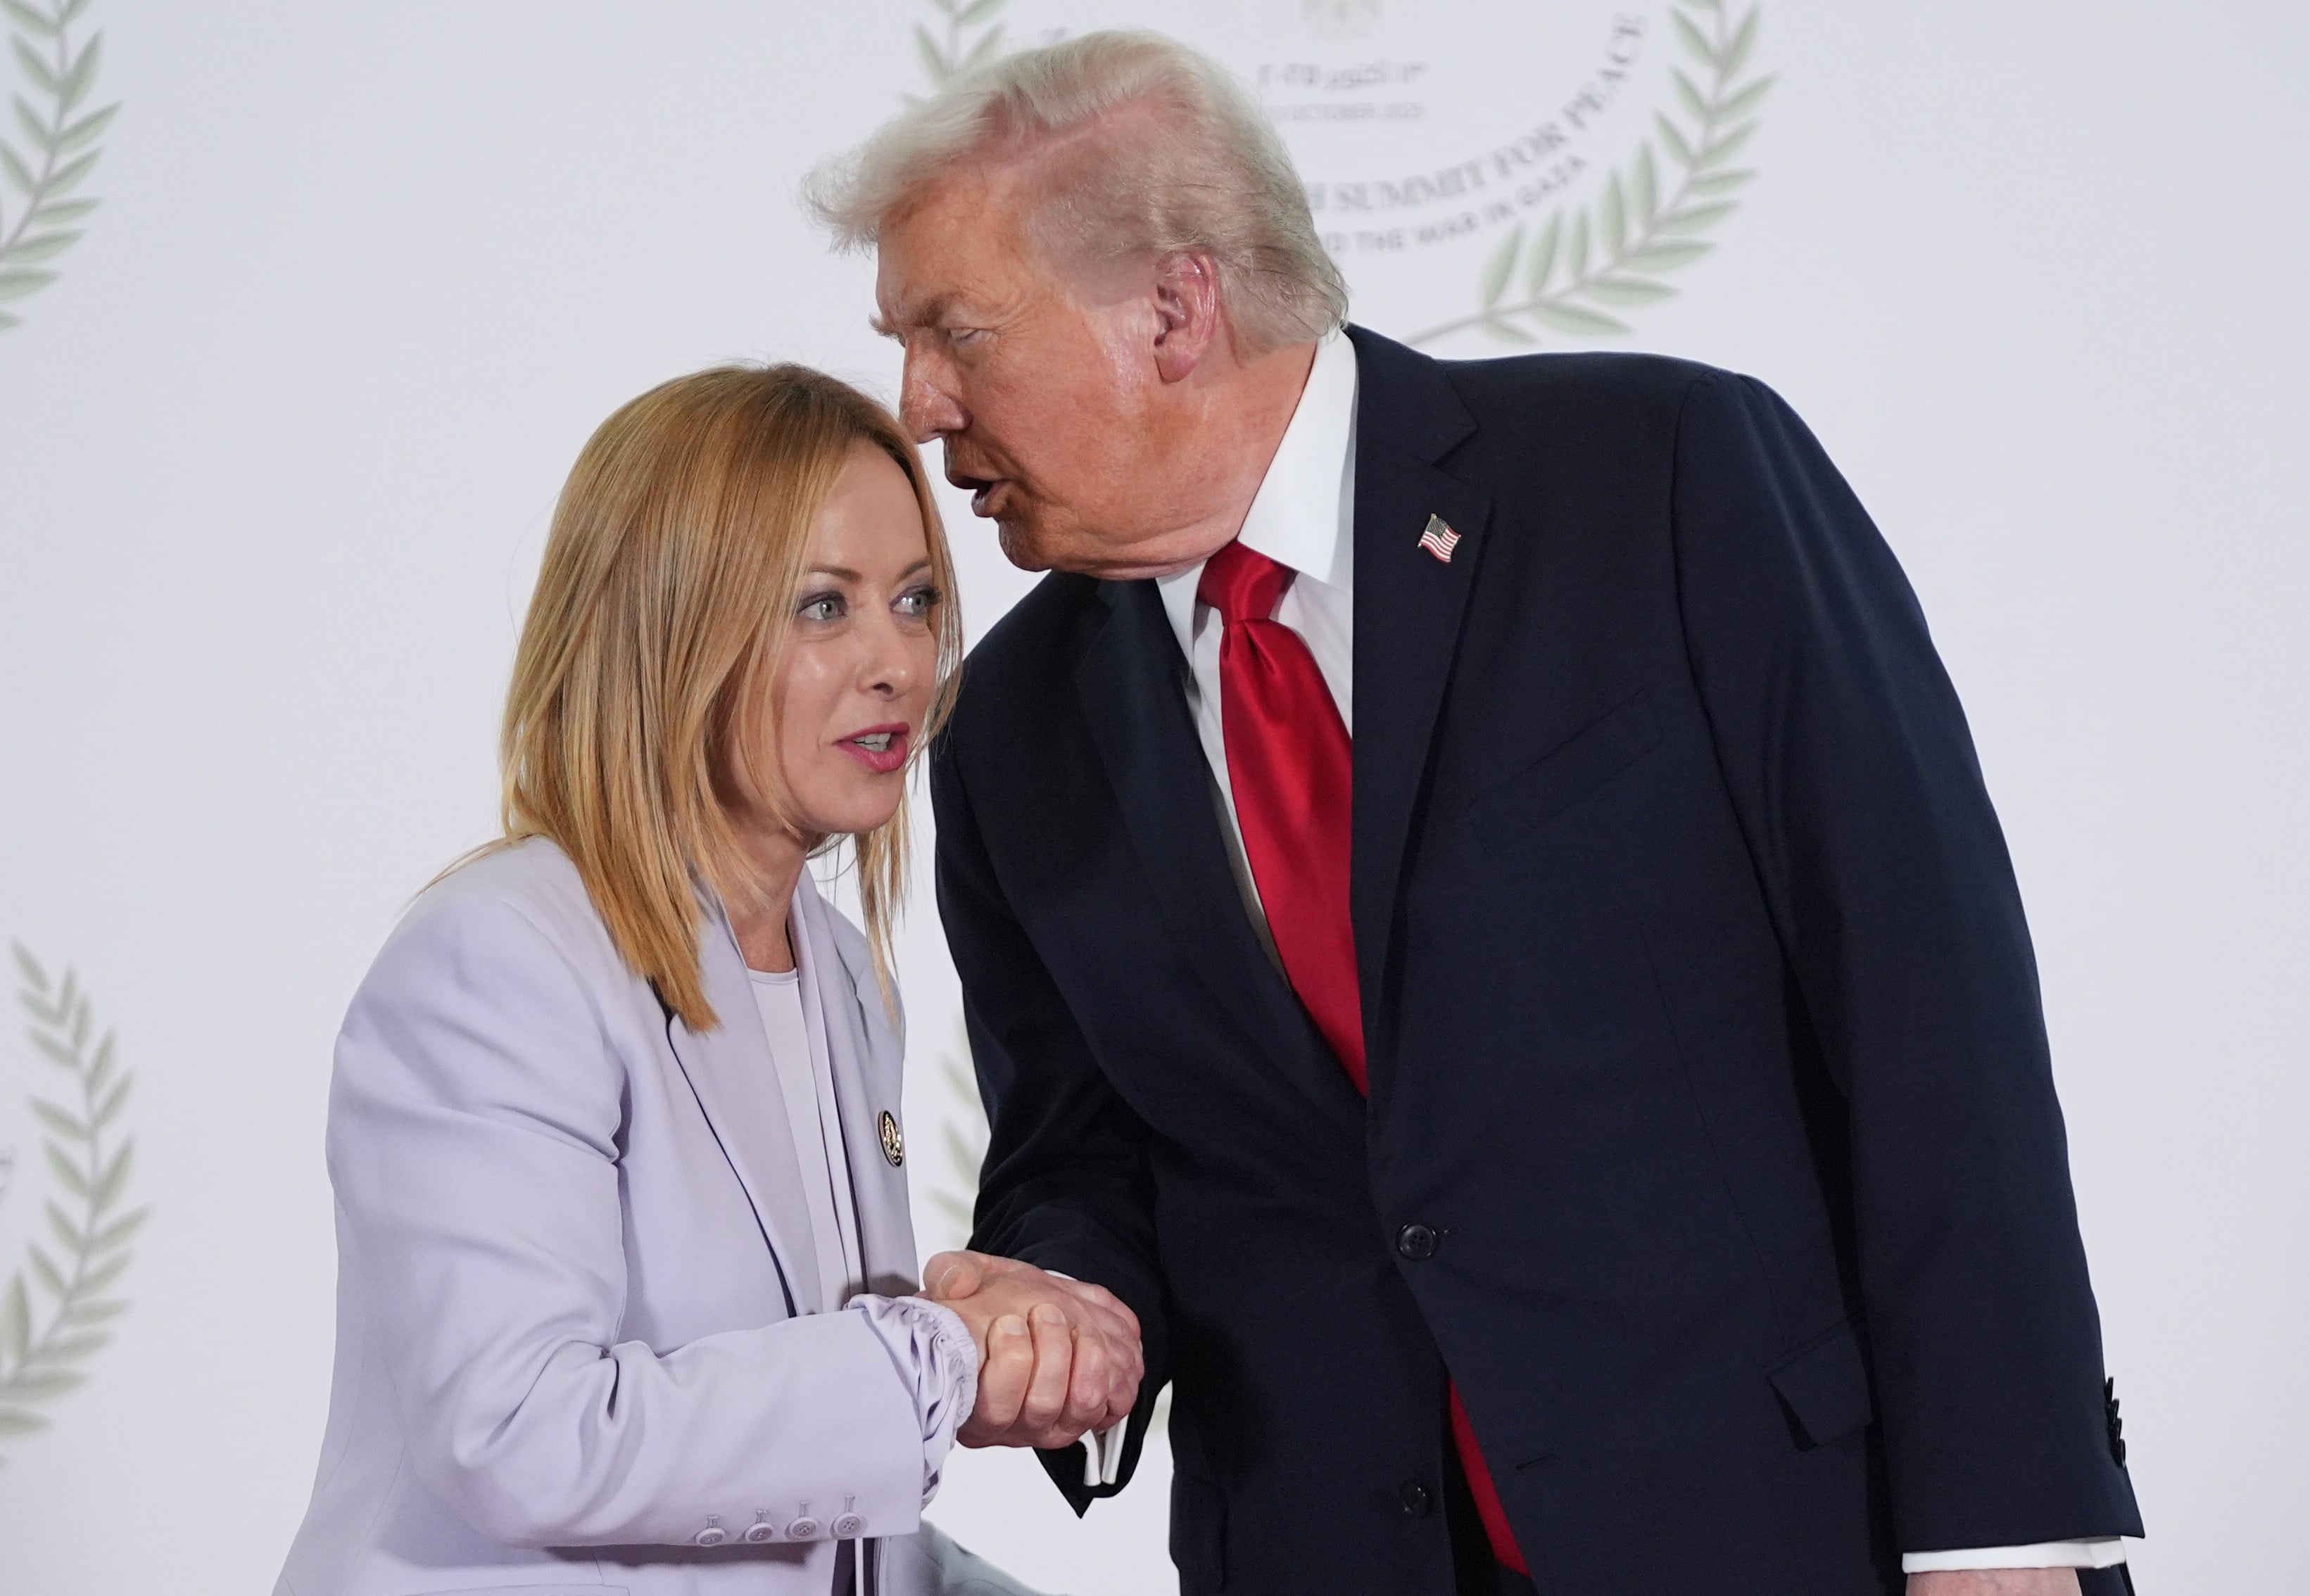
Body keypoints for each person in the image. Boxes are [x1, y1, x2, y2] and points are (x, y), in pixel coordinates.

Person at [807, 30, 2145, 1596]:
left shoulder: (1667, 478)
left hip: (1782, 1539)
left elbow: (1932, 1015)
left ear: (1174, 309)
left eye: (957, 332)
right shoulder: (1009, 726)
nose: (916, 404)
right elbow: (1082, 1157)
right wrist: (1055, 1304)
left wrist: (2002, 1534)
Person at [274, 365, 1140, 1596]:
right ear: (668, 629)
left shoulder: (840, 975)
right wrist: (939, 1358)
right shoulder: (502, 959)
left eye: (913, 600)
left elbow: (806, 1518)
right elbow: (525, 1435)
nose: (898, 662)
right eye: (822, 607)